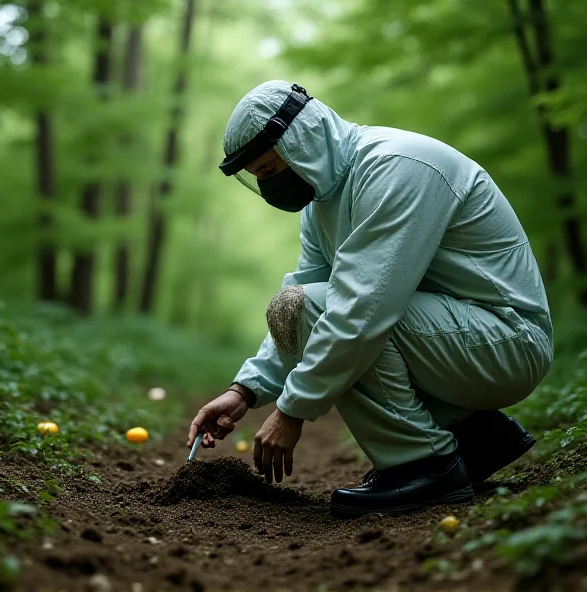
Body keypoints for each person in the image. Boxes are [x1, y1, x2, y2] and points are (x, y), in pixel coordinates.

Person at [186, 81, 553, 517]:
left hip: (508, 341)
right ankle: (476, 437)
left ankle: (425, 465)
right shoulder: (321, 204)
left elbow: (361, 309)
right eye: (259, 176)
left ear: (301, 142)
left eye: (268, 169)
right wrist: (245, 390)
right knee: (296, 303)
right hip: (461, 338)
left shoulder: (396, 167)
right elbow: (297, 309)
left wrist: (293, 409)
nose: (267, 185)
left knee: (336, 310)